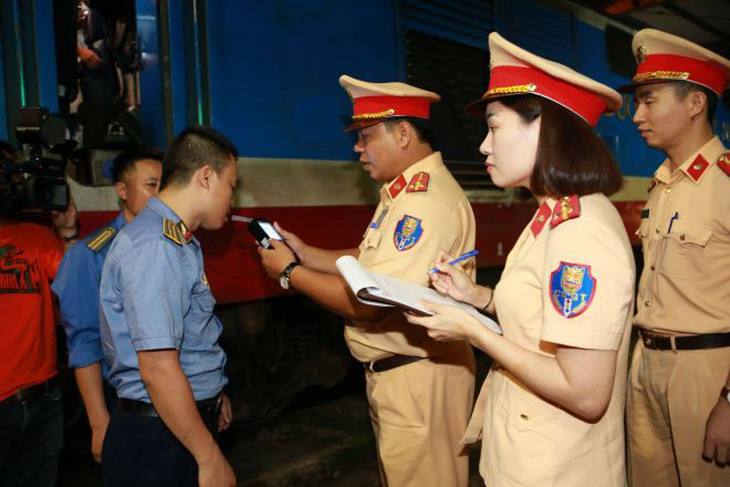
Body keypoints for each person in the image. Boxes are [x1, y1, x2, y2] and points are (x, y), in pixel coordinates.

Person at [405, 33, 635, 486]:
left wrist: (471, 330)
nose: (484, 147)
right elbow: (543, 316)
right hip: (529, 453)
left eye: (494, 127)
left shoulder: (579, 229)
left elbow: (586, 393)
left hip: (556, 470)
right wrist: (477, 297)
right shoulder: (552, 213)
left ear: (544, 128)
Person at [258, 75, 477, 486]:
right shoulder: (402, 194)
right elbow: (372, 263)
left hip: (419, 381)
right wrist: (307, 254)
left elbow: (367, 300)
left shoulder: (422, 204)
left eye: (365, 136)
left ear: (405, 133)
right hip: (407, 376)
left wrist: (290, 272)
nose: (357, 148)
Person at [99, 126, 237, 487]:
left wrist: (212, 391)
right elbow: (158, 367)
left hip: (173, 423)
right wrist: (209, 457)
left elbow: (188, 335)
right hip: (159, 436)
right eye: (232, 186)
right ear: (206, 177)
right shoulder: (156, 246)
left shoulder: (176, 239)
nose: (232, 199)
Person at [621, 29, 730, 486]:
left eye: (649, 100)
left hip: (706, 374)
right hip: (646, 364)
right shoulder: (662, 185)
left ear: (694, 104)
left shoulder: (725, 185)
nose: (637, 116)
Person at [52, 147, 162, 463]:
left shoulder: (171, 245)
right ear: (122, 191)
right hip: (128, 403)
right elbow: (85, 343)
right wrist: (99, 424)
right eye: (151, 185)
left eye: (163, 185)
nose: (159, 195)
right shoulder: (89, 255)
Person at [0, 142, 78, 486]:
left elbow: (78, 291)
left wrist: (67, 233)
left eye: (14, 175)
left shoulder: (35, 237)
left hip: (44, 399)